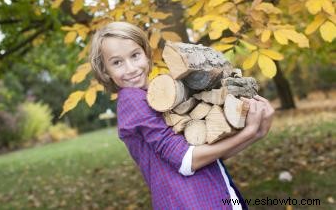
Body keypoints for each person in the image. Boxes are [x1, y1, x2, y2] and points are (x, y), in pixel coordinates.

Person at [89, 21, 275, 210]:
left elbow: (206, 157)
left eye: (135, 55)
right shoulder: (132, 99)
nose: (130, 68)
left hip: (213, 195)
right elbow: (186, 160)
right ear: (105, 71)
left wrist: (256, 134)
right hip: (190, 203)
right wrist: (249, 132)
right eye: (117, 62)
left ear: (146, 54)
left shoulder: (156, 96)